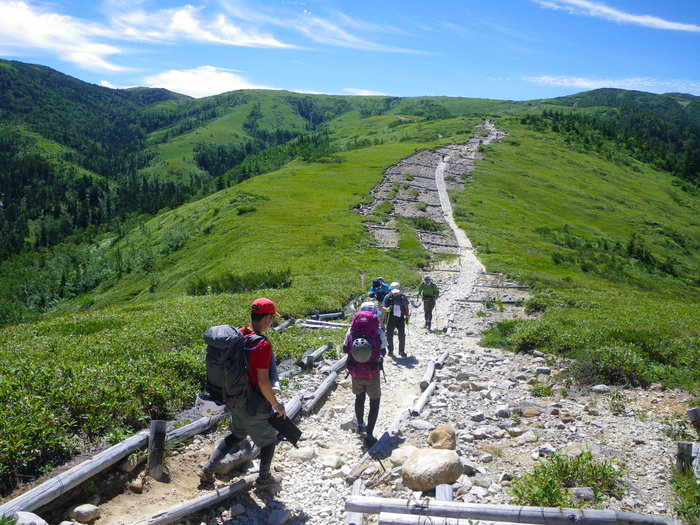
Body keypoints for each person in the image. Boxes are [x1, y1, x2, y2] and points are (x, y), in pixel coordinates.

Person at [197, 297, 286, 492]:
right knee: (269, 439)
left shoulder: (240, 334)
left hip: (233, 398)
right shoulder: (262, 345)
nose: (272, 322)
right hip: (252, 401)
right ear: (267, 318)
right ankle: (264, 479)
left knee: (237, 433)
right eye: (272, 318)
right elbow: (263, 381)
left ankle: (208, 469)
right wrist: (276, 405)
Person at [343, 310, 385, 447]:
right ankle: (370, 434)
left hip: (355, 372)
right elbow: (384, 350)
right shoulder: (378, 332)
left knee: (359, 398)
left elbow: (345, 349)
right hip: (372, 372)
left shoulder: (351, 331)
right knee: (374, 402)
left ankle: (361, 425)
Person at [381, 283, 410, 357]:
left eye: (397, 292)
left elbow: (406, 307)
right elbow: (383, 307)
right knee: (389, 335)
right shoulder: (387, 297)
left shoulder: (402, 297)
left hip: (400, 317)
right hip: (390, 317)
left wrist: (407, 317)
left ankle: (401, 351)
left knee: (402, 335)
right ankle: (390, 350)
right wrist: (387, 309)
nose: (395, 293)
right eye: (394, 292)